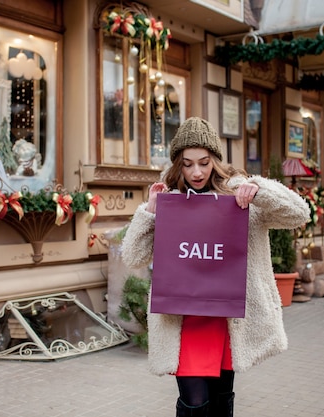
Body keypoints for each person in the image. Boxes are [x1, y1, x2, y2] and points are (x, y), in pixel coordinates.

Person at [121, 117, 311, 417]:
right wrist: (149, 212)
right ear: (177, 165)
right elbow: (133, 256)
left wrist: (259, 190)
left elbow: (299, 213)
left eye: (204, 162)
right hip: (183, 321)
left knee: (222, 401)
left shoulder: (237, 195)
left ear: (216, 161)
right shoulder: (169, 200)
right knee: (194, 404)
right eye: (187, 164)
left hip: (225, 318)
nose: (196, 172)